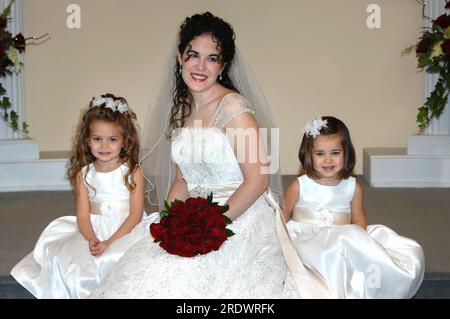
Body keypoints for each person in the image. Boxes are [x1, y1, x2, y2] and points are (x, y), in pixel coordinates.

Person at [90, 12, 311, 299]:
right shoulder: (183, 109)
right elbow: (183, 180)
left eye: (212, 58)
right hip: (194, 213)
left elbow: (257, 180)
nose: (200, 66)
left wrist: (214, 224)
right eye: (193, 55)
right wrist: (168, 220)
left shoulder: (233, 108)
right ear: (181, 57)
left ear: (223, 65)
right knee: (149, 267)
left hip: (239, 212)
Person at [10, 94, 152, 298]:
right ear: (88, 140)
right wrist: (92, 238)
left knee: (124, 258)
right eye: (97, 139)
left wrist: (110, 242)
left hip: (126, 230)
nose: (104, 146)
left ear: (124, 141)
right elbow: (83, 216)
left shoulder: (132, 171)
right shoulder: (83, 175)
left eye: (112, 140)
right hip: (93, 229)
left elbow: (136, 215)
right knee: (69, 262)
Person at [282, 116, 425, 298]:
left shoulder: (352, 187)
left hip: (341, 238)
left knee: (366, 250)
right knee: (329, 254)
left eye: (335, 153)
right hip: (305, 239)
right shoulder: (299, 185)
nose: (328, 160)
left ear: (346, 153)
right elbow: (283, 214)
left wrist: (360, 244)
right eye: (320, 154)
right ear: (308, 155)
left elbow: (358, 219)